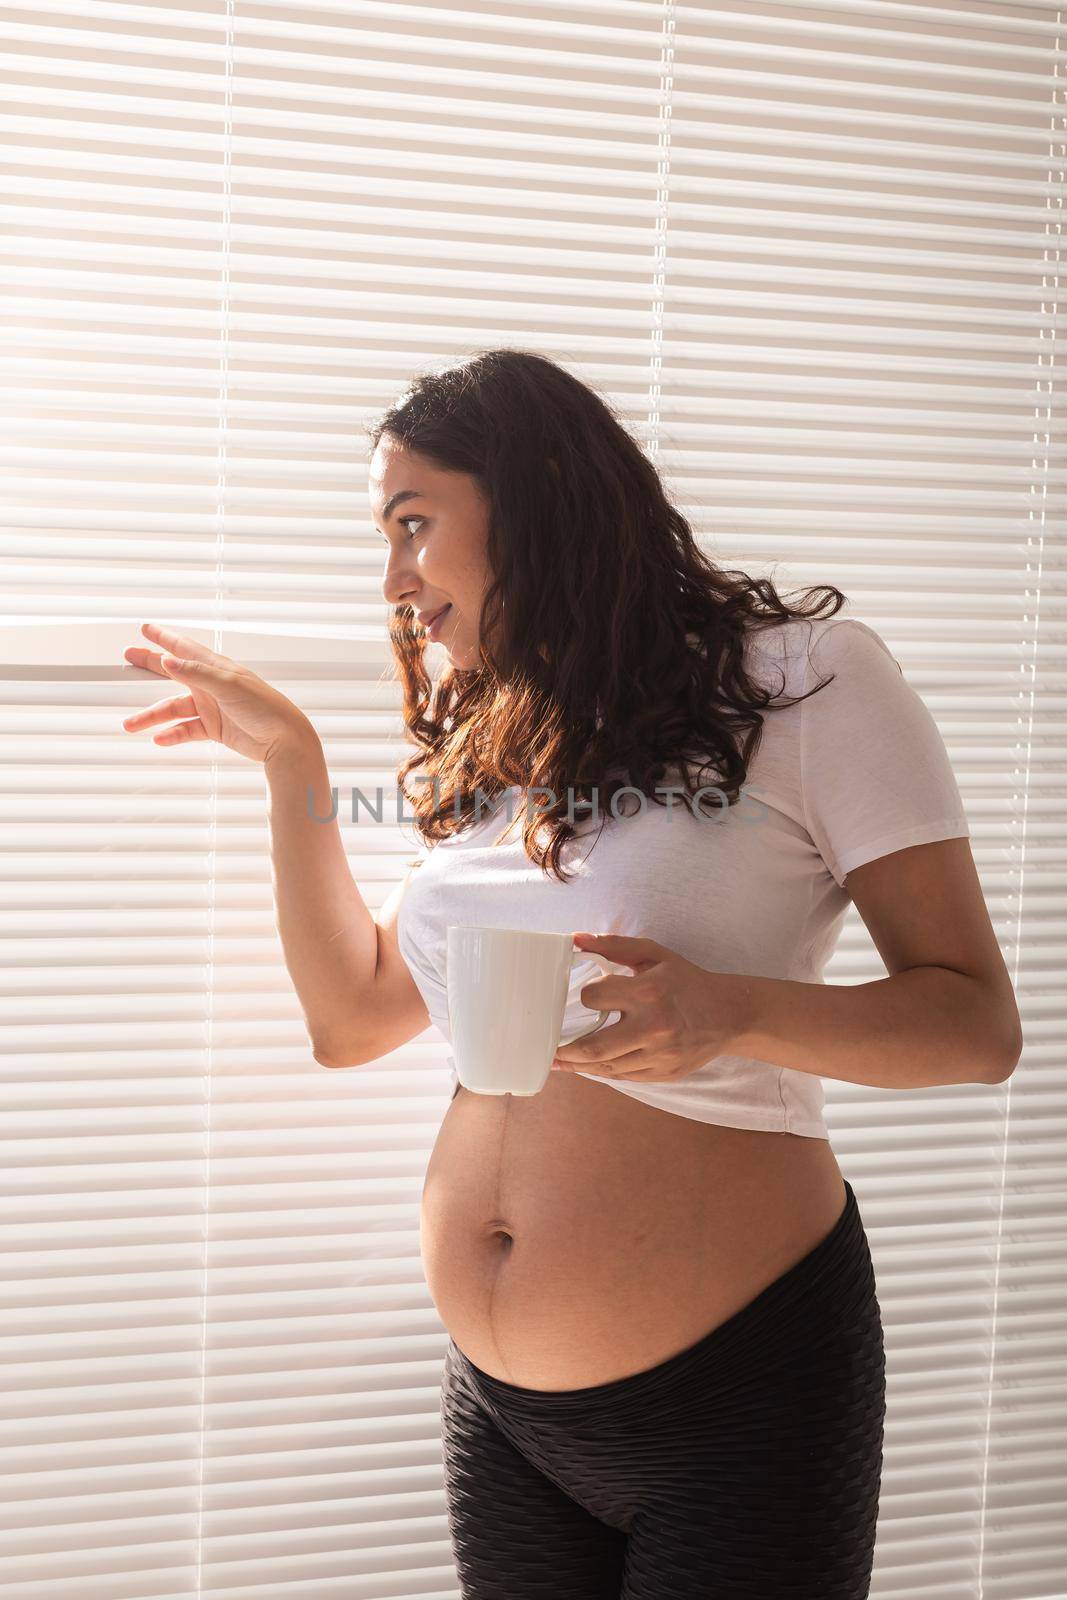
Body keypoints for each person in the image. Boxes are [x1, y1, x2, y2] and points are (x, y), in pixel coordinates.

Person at [121, 349, 1023, 1600]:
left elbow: (973, 1023)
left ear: (534, 494)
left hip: (740, 1389)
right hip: (504, 1415)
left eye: (412, 526)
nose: (393, 581)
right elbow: (350, 1018)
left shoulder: (806, 682)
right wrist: (293, 763)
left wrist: (732, 1010)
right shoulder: (506, 732)